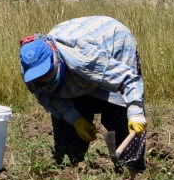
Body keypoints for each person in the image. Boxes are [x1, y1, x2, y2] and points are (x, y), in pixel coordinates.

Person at [19, 15, 147, 171]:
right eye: (39, 76)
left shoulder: (84, 59)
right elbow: (48, 97)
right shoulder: (30, 71)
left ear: (55, 58)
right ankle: (70, 166)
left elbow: (127, 79)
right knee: (67, 150)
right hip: (80, 69)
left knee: (118, 111)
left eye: (46, 72)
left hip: (113, 43)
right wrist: (75, 119)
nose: (43, 79)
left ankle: (131, 165)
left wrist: (135, 112)